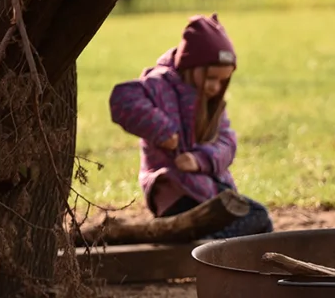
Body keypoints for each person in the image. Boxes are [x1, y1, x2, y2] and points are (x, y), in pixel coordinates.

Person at [109, 14, 273, 238]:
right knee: (255, 217)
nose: (215, 87)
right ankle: (204, 249)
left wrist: (200, 159)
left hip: (208, 190)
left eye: (222, 81)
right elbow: (123, 100)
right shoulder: (159, 85)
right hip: (175, 192)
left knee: (260, 219)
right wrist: (162, 130)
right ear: (191, 65)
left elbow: (227, 141)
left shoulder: (211, 103)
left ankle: (218, 251)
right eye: (211, 78)